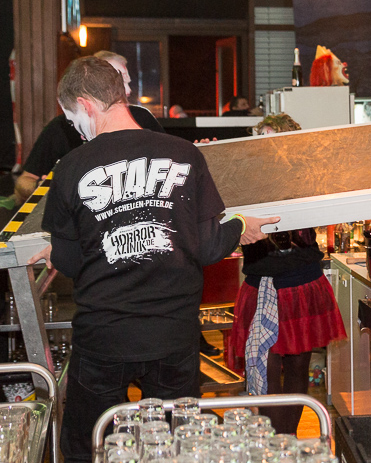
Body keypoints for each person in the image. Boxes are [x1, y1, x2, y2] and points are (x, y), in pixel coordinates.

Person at [31, 57, 276, 462]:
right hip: (172, 333)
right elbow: (208, 246)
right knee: (175, 447)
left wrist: (60, 248)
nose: (76, 129)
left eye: (73, 119)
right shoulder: (183, 154)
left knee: (91, 447)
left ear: (86, 105)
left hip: (104, 334)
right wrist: (240, 226)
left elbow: (70, 263)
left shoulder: (72, 166)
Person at [227, 114, 346, 434]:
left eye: (272, 138)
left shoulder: (305, 178)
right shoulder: (246, 181)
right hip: (261, 283)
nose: (265, 146)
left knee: (297, 367)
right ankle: (273, 442)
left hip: (301, 283)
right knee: (264, 366)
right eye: (260, 138)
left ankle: (288, 440)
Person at [14, 50, 164, 204]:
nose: (128, 90)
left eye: (126, 82)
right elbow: (24, 181)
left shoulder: (142, 118)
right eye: (117, 81)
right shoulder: (60, 127)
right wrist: (45, 188)